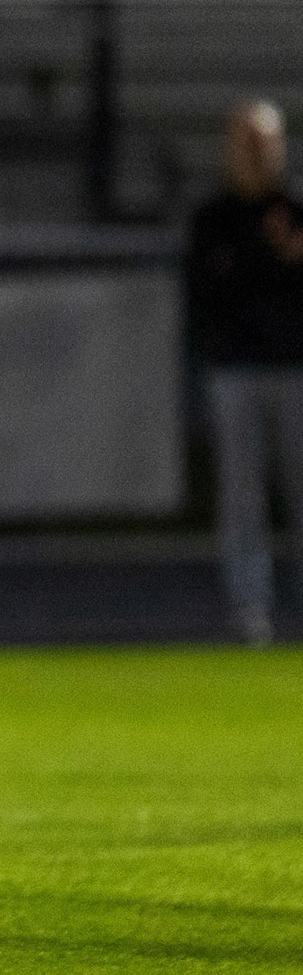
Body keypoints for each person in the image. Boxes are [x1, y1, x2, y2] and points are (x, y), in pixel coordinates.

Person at [185, 99, 303, 646]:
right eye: (246, 143)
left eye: (264, 143)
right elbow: (205, 292)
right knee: (242, 493)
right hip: (235, 369)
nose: (255, 154)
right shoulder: (214, 218)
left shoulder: (294, 211)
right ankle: (250, 605)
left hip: (295, 368)